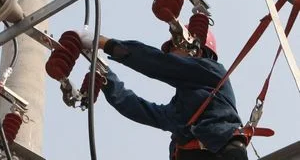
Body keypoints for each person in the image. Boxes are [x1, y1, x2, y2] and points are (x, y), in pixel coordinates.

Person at [76, 29, 249, 160]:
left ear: (197, 49)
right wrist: (105, 75)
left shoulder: (212, 73)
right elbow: (134, 107)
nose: (170, 54)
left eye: (174, 47)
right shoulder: (179, 110)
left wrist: (106, 44)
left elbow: (157, 64)